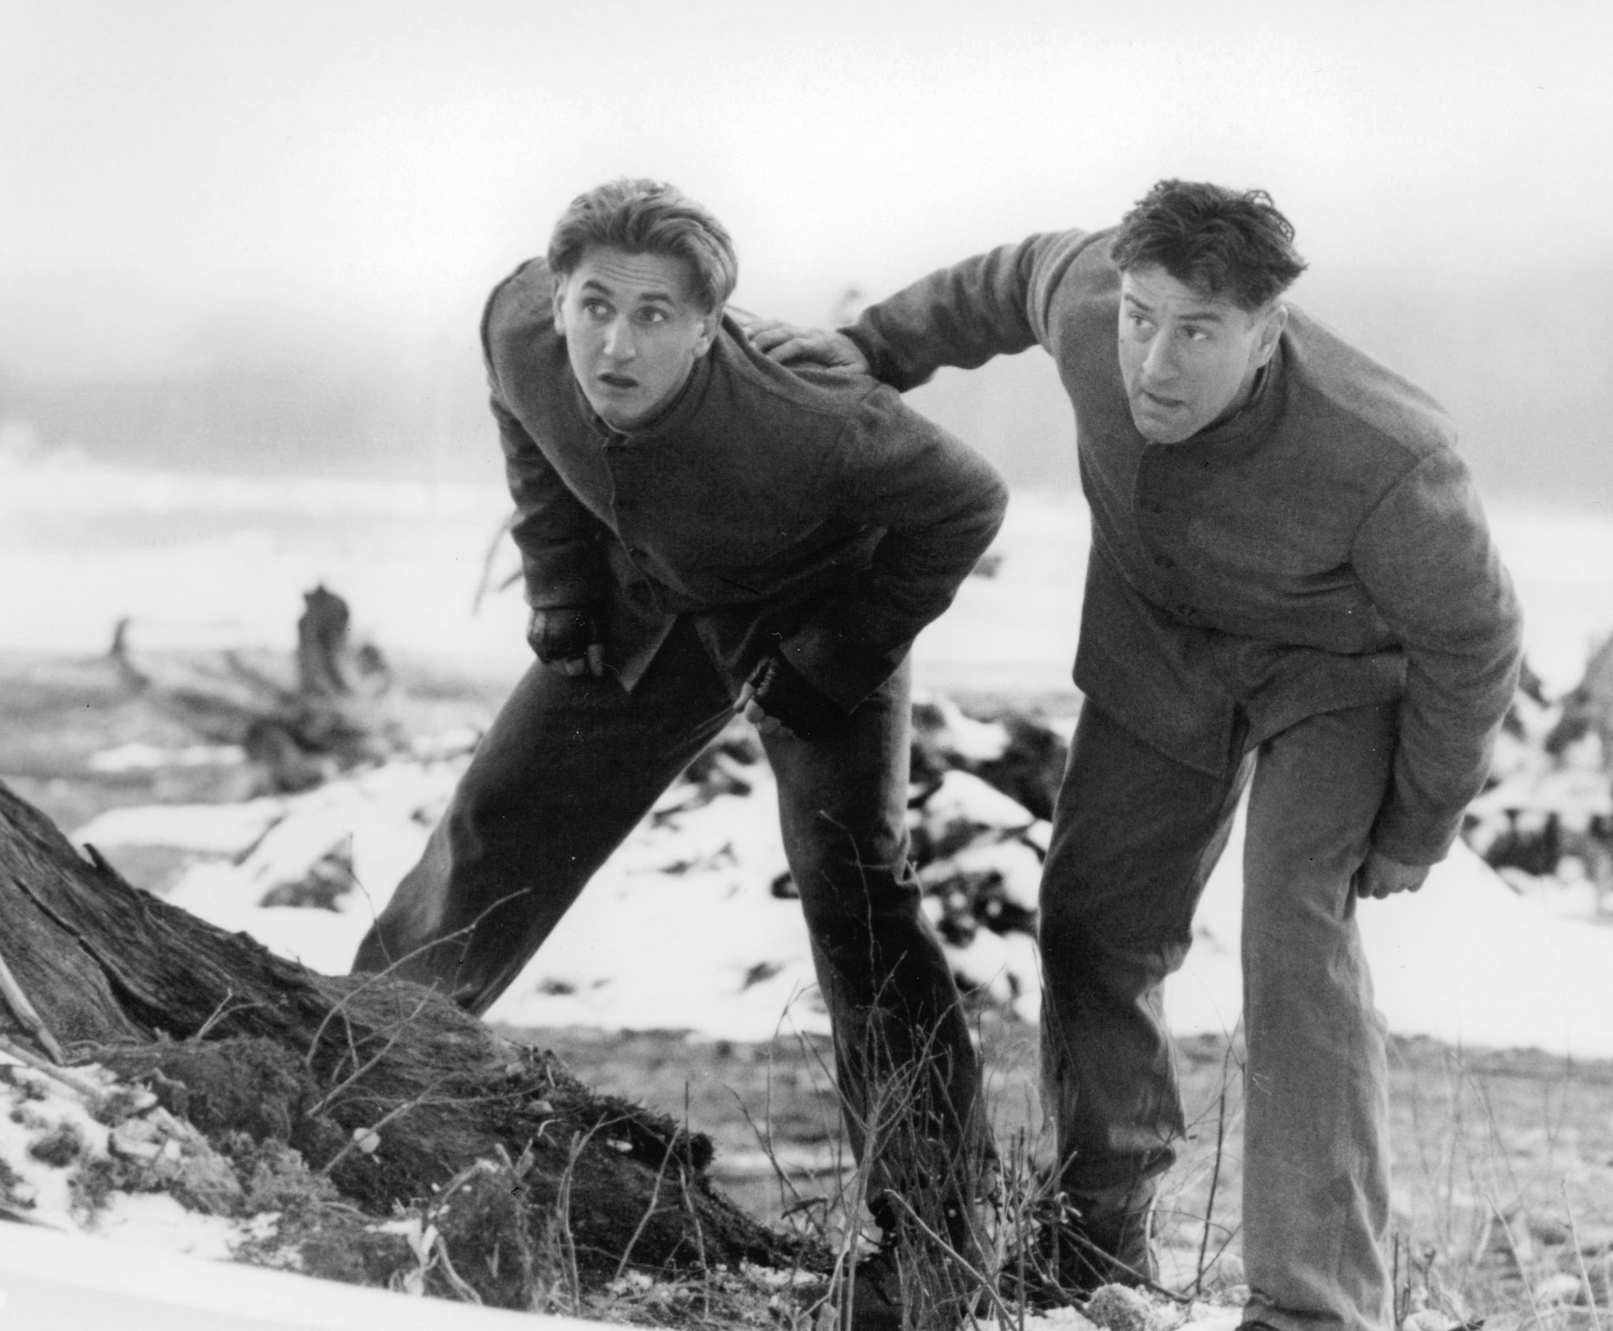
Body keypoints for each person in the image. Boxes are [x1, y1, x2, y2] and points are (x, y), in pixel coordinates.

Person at [750, 179, 1523, 1331]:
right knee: (1092, 923)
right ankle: (1095, 1232)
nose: (1153, 361)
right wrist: (868, 350)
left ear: (1267, 333)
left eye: (1197, 332)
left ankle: (1316, 1304)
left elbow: (1473, 639)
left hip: (1331, 678)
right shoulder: (1085, 293)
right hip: (1157, 656)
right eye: (1141, 317)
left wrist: (1416, 823)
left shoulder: (1389, 455)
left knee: (1291, 936)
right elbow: (1000, 280)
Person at [351, 178, 1007, 1328]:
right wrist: (559, 586)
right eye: (595, 304)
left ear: (710, 328)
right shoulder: (518, 326)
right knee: (492, 826)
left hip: (809, 605)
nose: (615, 340)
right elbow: (529, 436)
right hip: (642, 600)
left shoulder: (819, 424)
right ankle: (350, 1082)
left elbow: (965, 502)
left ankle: (932, 1247)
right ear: (555, 297)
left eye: (656, 315)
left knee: (852, 886)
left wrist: (837, 655)